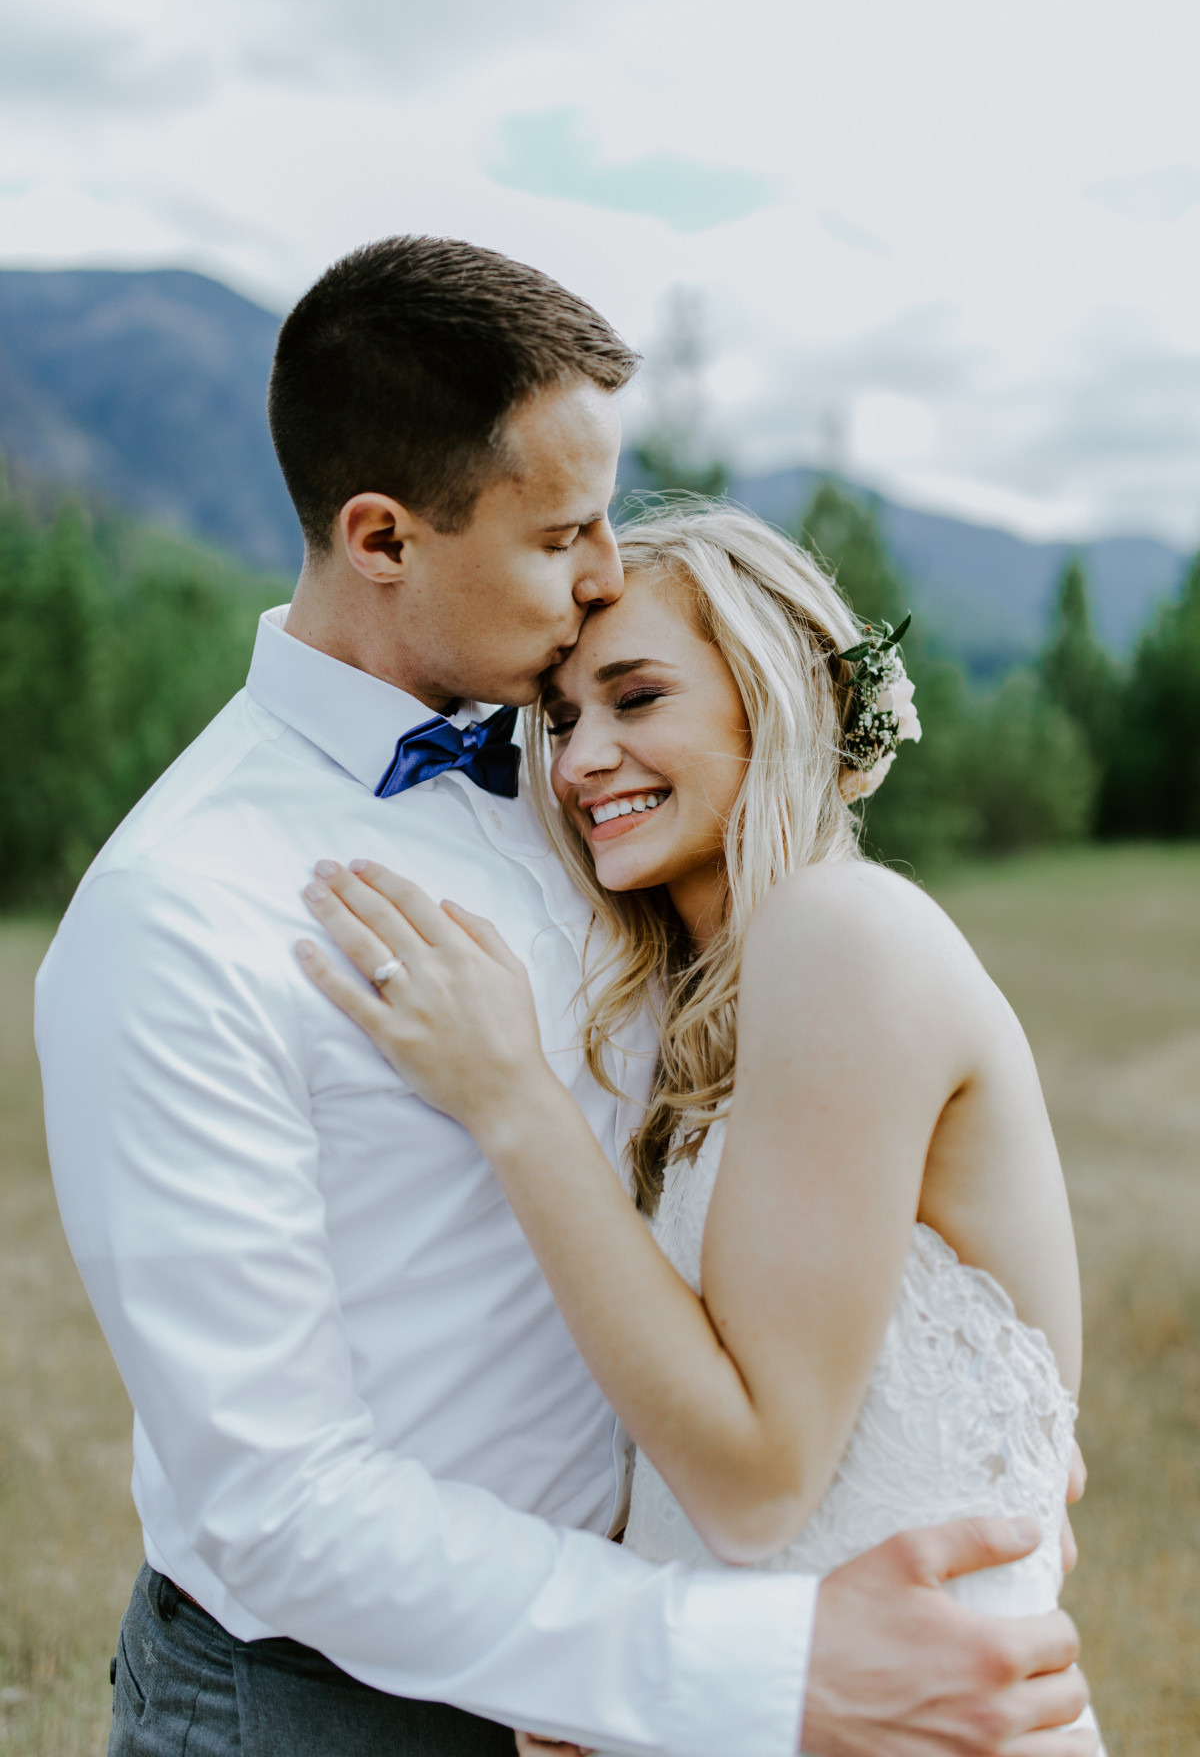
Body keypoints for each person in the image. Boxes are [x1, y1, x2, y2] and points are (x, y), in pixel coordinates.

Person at [35, 237, 1094, 1757]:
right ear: (384, 540)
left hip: (662, 1667)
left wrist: (966, 1442)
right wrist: (706, 1660)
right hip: (338, 1709)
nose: (605, 574)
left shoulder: (578, 810)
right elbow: (277, 1498)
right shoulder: (179, 917)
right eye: (563, 534)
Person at [292, 504, 1104, 1753]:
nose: (578, 762)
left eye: (637, 698)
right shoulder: (703, 1025)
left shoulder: (844, 933)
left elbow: (757, 1483)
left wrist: (510, 1098)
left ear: (768, 701)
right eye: (561, 719)